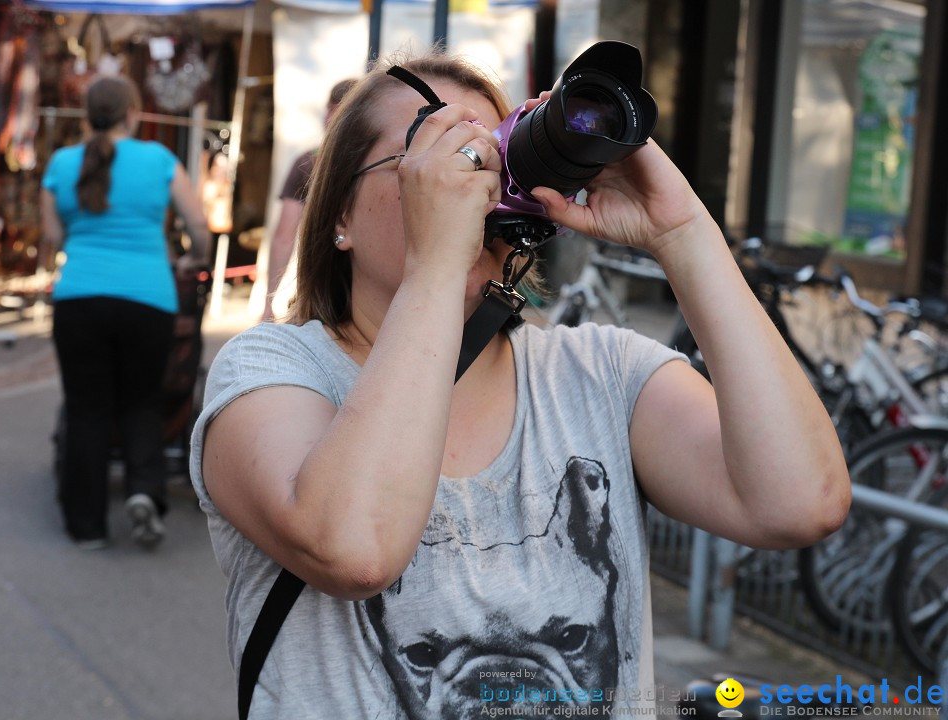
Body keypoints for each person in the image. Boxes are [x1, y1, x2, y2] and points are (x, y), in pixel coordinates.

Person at [189, 53, 850, 716]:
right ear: (338, 216)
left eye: (493, 161)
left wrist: (683, 235)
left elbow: (800, 502)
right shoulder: (269, 373)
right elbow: (356, 548)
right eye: (435, 157)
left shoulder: (601, 375)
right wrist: (438, 267)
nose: (471, 187)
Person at [41, 75, 210, 551]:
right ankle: (144, 493)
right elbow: (198, 224)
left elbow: (54, 234)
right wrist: (194, 257)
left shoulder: (61, 163)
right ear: (132, 113)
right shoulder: (159, 160)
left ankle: (87, 526)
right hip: (147, 299)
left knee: (86, 409)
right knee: (143, 403)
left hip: (79, 299)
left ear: (86, 115)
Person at [262, 78, 357, 321]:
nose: (327, 118)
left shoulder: (309, 162)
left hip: (321, 287)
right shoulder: (391, 162)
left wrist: (268, 304)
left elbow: (285, 236)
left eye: (331, 111)